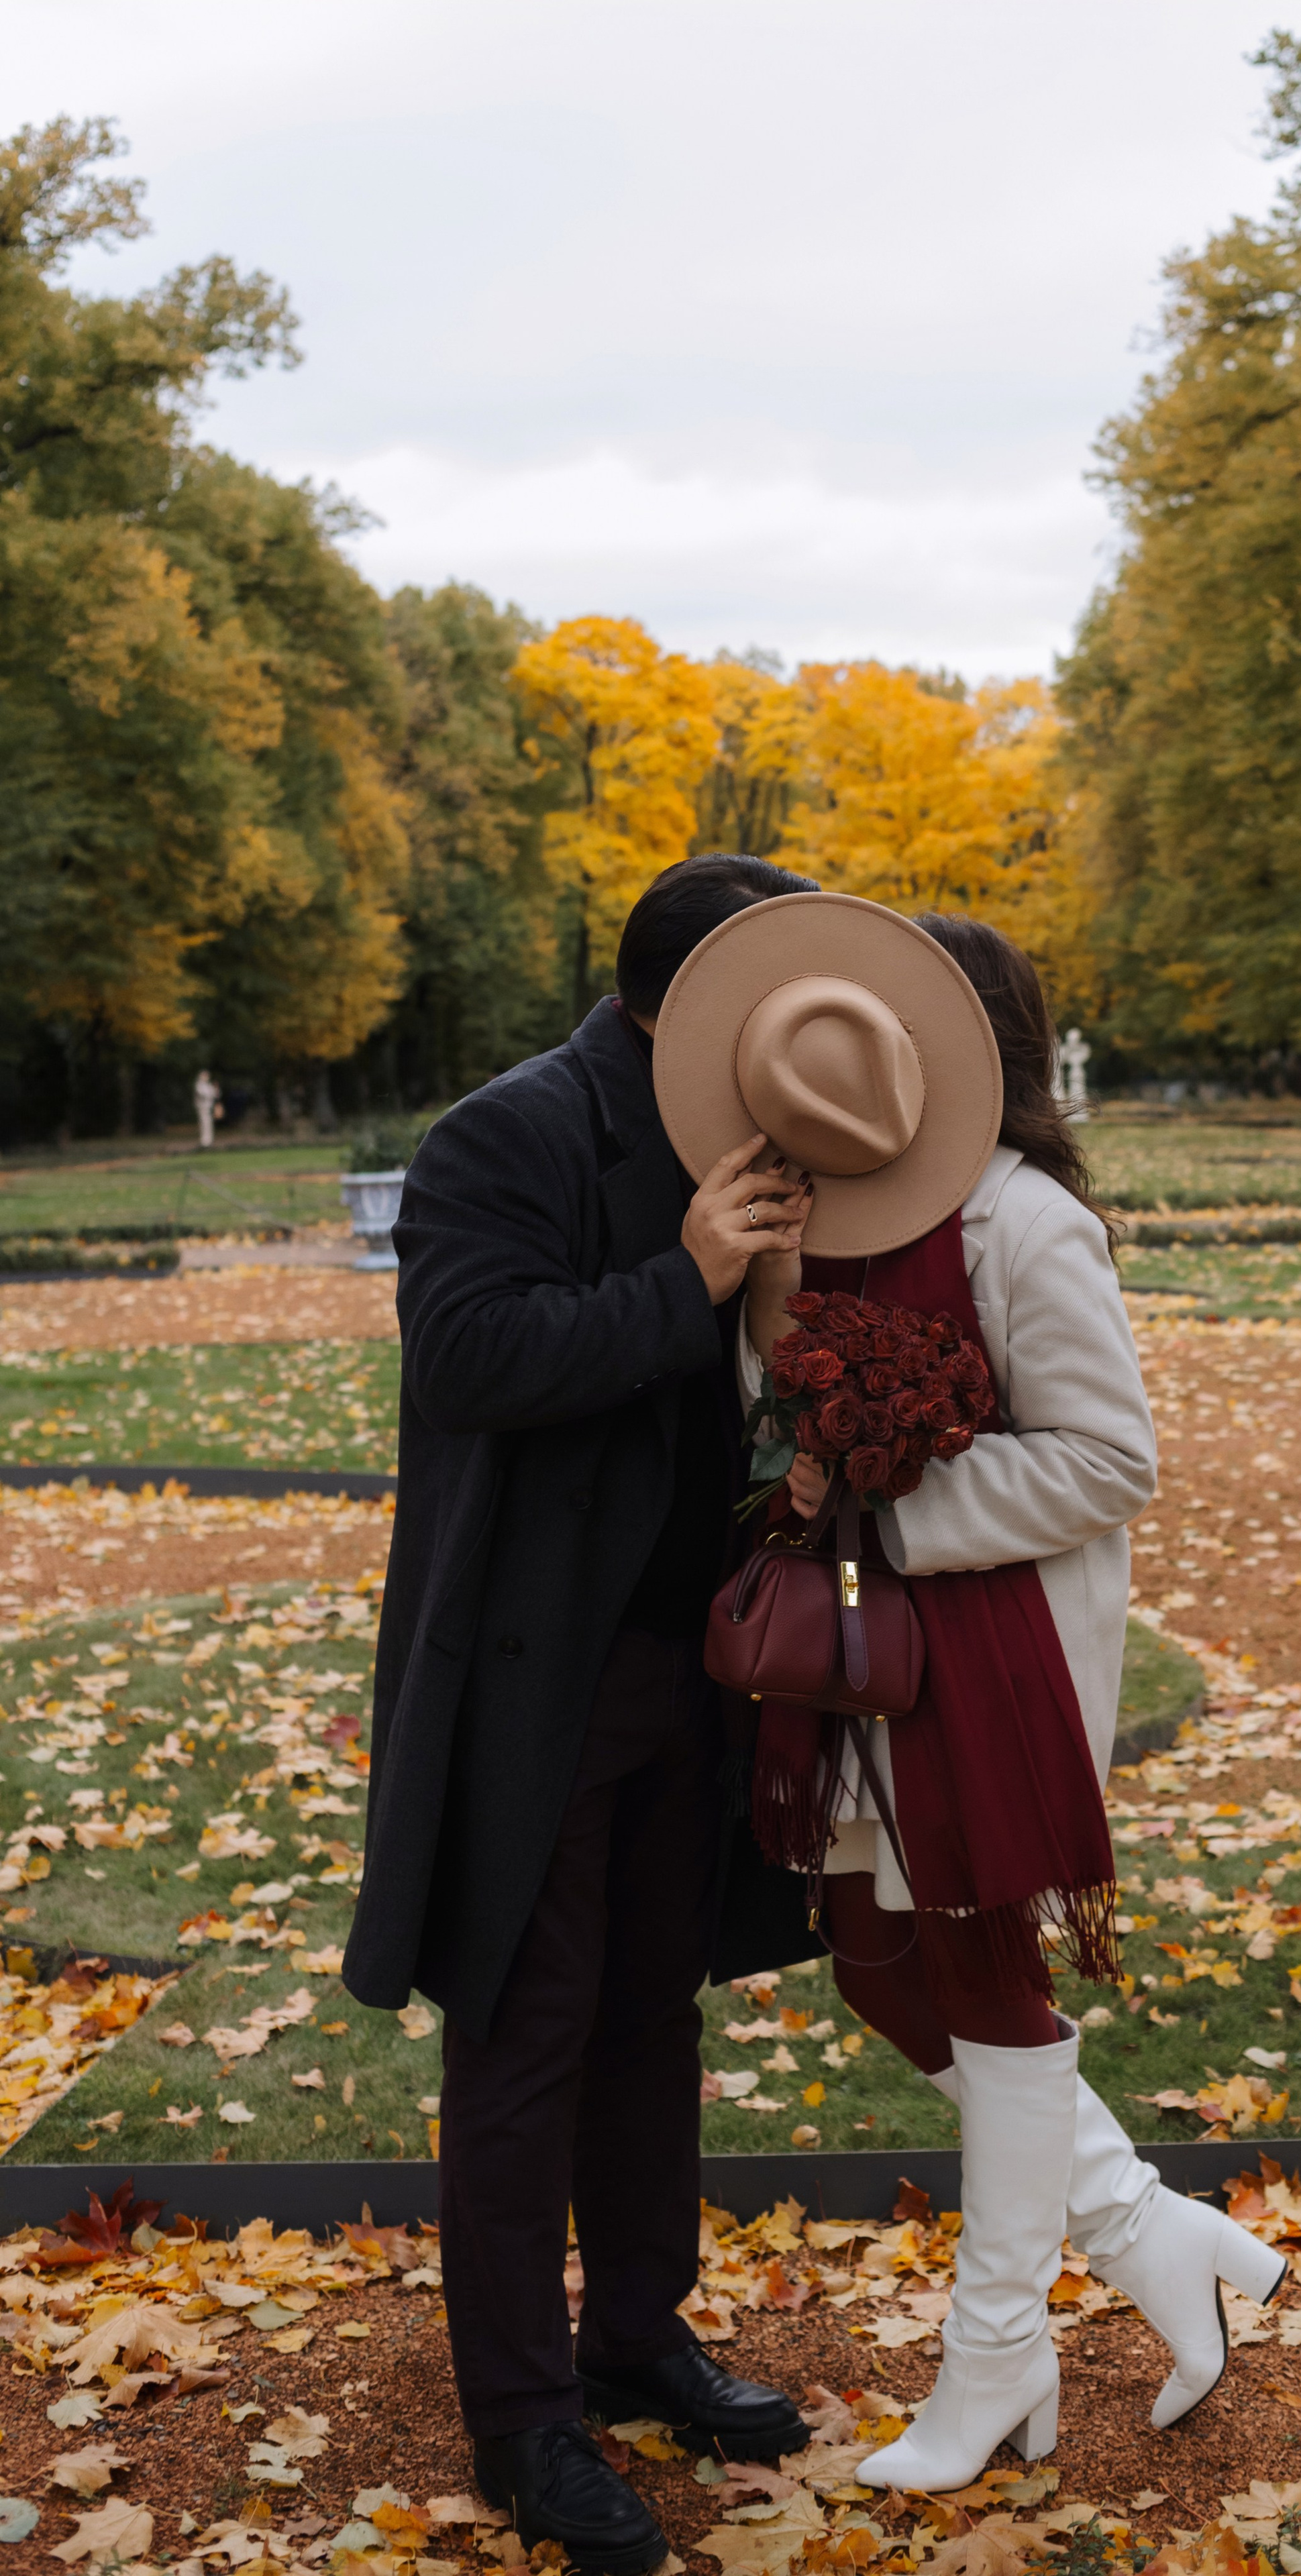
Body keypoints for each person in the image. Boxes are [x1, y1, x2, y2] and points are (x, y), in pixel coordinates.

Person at [652, 902, 1283, 2493]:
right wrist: (772, 1309)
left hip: (986, 1671)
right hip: (853, 1669)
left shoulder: (1020, 1221)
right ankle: (1147, 2231)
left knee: (984, 1980)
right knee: (875, 1970)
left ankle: (996, 2351)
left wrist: (893, 1504)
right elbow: (762, 1400)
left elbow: (1109, 1456)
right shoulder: (836, 1209)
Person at [343, 855, 819, 2572]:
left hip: (694, 1673)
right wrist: (682, 1279)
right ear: (688, 1006)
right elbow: (467, 1358)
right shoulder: (507, 1134)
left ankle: (635, 2334)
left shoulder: (757, 1138)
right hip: (542, 1680)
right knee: (524, 2042)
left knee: (646, 2021)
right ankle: (524, 2419)